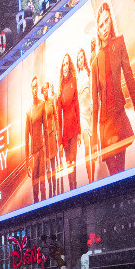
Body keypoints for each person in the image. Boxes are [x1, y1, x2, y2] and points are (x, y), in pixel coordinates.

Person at [91, 2, 135, 177]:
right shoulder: (95, 61)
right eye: (101, 24)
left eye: (106, 21)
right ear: (97, 30)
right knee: (113, 173)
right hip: (105, 124)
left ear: (111, 21)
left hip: (118, 115)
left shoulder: (119, 43)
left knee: (121, 169)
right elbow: (95, 103)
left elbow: (128, 74)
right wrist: (93, 137)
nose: (104, 27)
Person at [57, 54, 81, 194]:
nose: (65, 67)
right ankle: (72, 190)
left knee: (73, 162)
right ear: (62, 68)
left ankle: (75, 188)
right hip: (65, 133)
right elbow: (58, 118)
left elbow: (77, 106)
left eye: (67, 64)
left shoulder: (73, 81)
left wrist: (78, 131)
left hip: (73, 130)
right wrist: (60, 141)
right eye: (63, 64)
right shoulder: (60, 88)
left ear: (70, 66)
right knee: (68, 164)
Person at [26, 77, 50, 203]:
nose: (35, 89)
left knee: (42, 186)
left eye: (36, 86)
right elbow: (26, 139)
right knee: (34, 188)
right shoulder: (29, 111)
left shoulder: (42, 105)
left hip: (41, 150)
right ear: (31, 89)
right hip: (34, 154)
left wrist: (47, 157)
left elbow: (46, 130)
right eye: (33, 87)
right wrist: (27, 162)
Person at [75, 48, 96, 185]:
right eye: (79, 58)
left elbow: (94, 90)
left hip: (91, 113)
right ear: (77, 62)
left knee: (93, 147)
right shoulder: (76, 79)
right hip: (82, 115)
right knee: (87, 147)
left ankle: (93, 177)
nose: (81, 60)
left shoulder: (89, 74)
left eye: (82, 57)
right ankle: (90, 181)